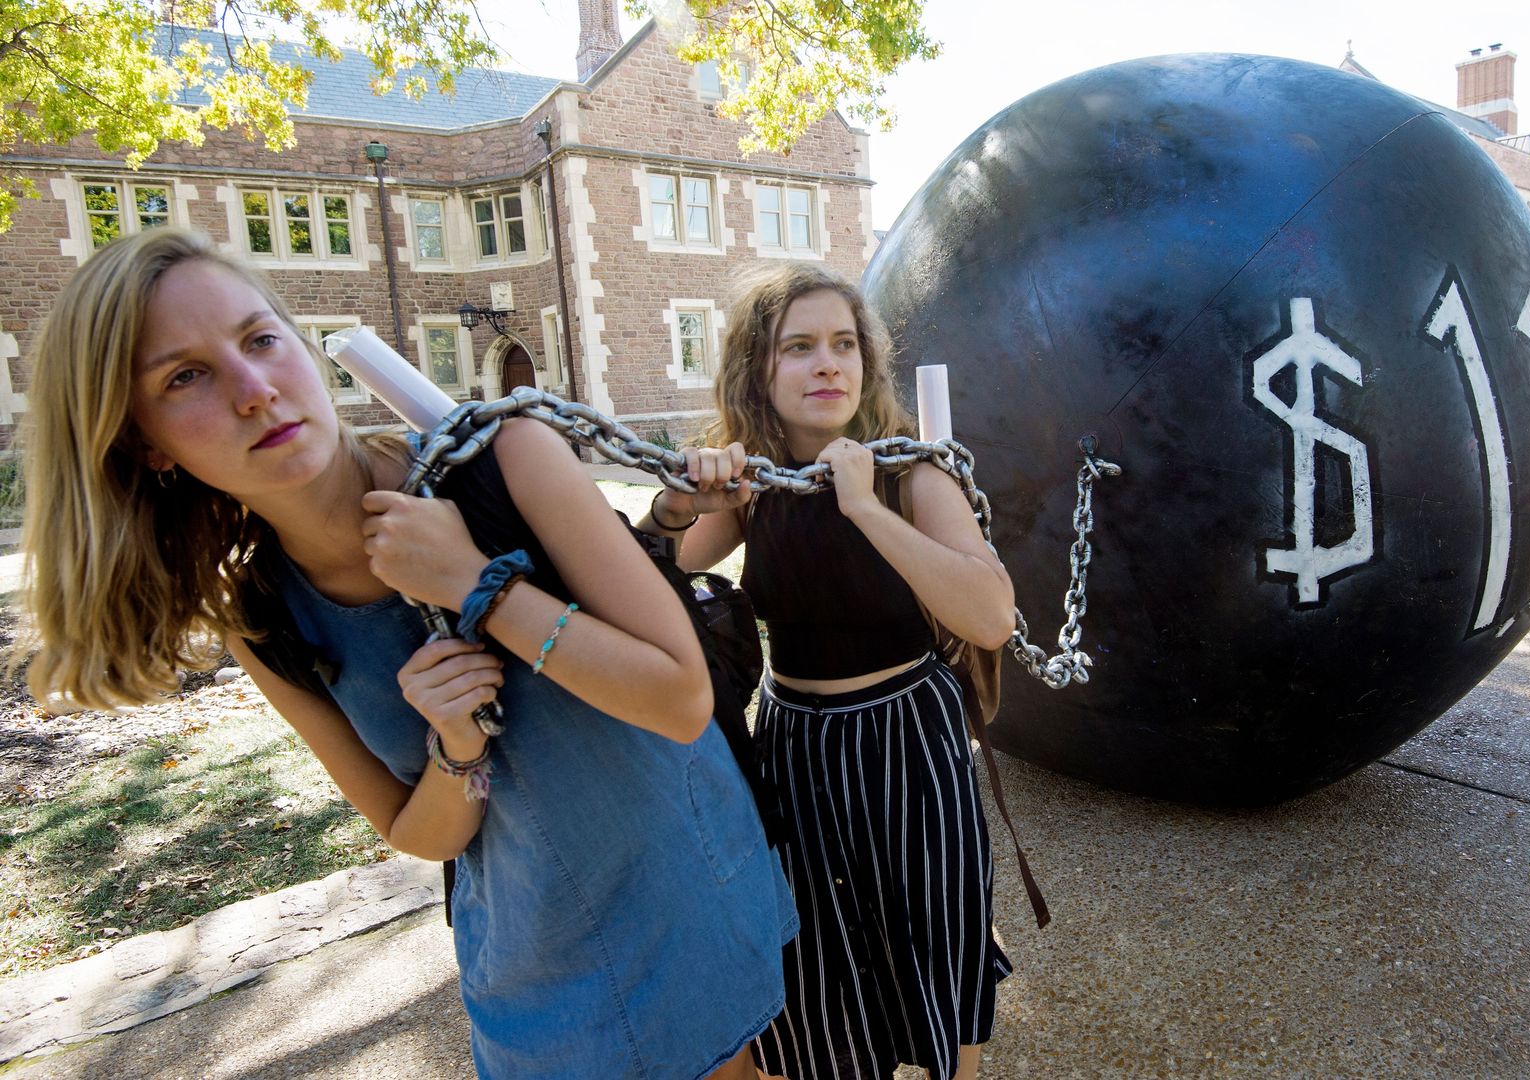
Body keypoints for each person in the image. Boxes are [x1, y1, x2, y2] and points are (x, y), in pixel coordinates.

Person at [10, 228, 796, 1079]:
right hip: (529, 967)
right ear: (143, 442)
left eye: (260, 339)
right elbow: (410, 829)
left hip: (681, 904)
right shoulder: (261, 612)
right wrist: (456, 749)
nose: (255, 391)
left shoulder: (506, 458)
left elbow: (679, 699)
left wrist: (479, 587)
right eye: (184, 376)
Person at [642, 263, 1015, 1080]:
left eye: (843, 345)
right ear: (759, 372)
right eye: (799, 347)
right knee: (812, 951)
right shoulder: (754, 489)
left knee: (936, 927)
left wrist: (865, 505)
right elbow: (640, 584)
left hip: (906, 741)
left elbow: (990, 615)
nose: (827, 364)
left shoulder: (913, 474)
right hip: (795, 746)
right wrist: (674, 510)